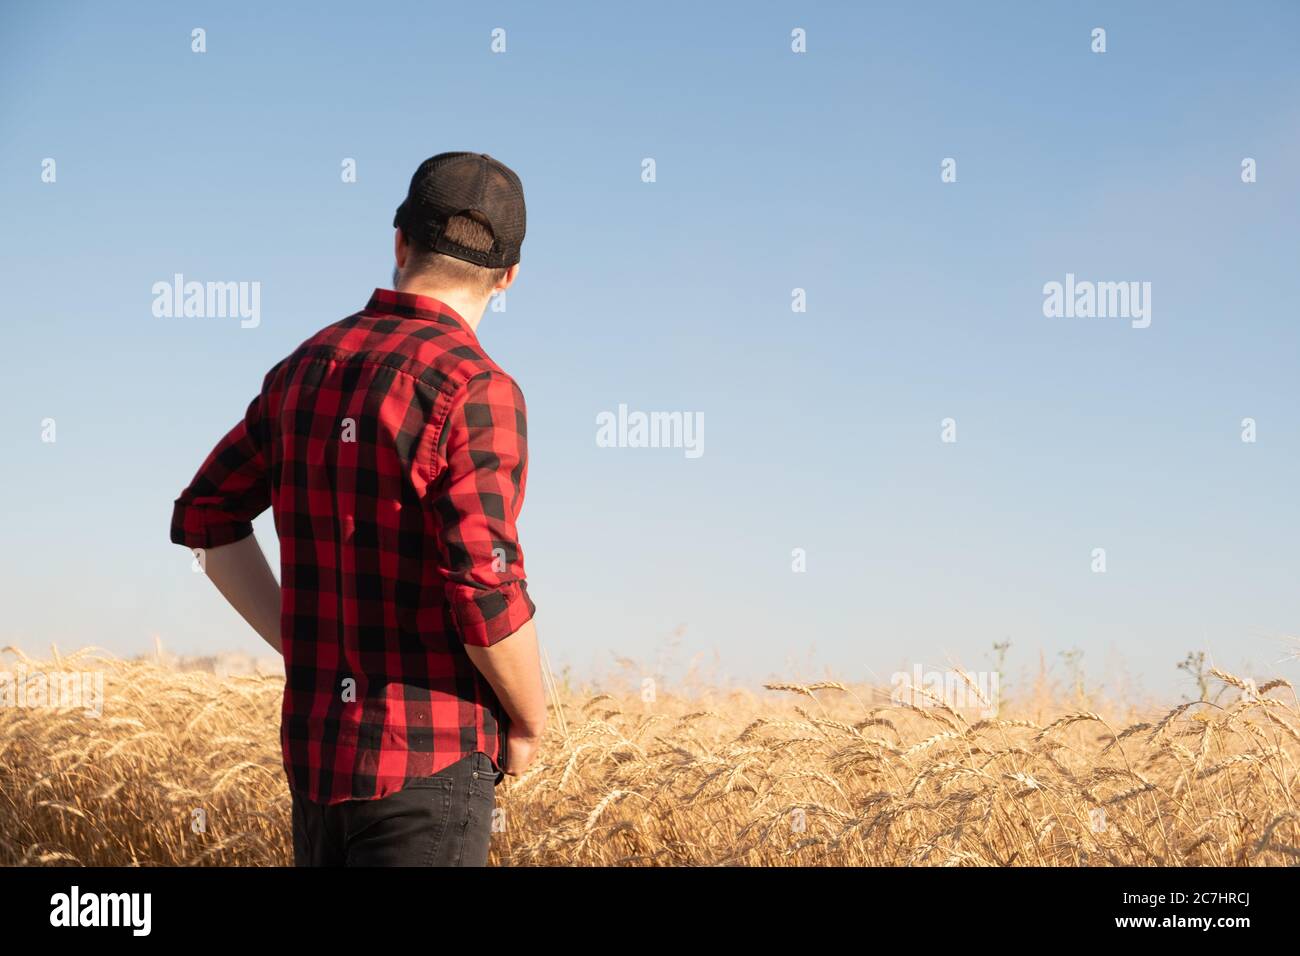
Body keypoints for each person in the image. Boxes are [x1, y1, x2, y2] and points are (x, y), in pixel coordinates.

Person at [169, 152, 546, 866]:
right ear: (509, 277)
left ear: (400, 243)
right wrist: (529, 719)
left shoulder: (303, 369)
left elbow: (206, 515)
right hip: (429, 771)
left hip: (316, 767)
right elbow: (484, 588)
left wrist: (301, 641)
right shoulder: (477, 389)